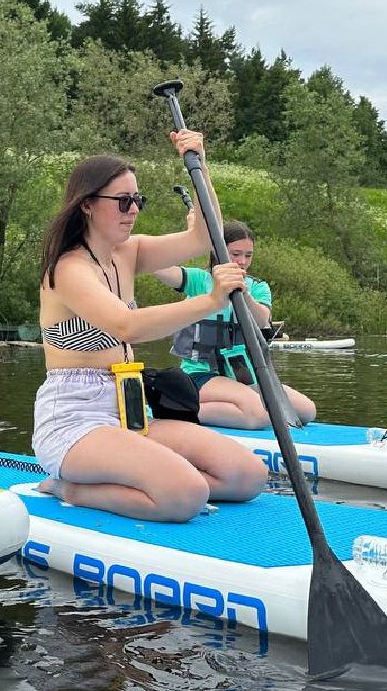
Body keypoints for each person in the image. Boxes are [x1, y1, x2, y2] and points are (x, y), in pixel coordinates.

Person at [32, 134, 268, 522]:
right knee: (186, 495)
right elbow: (127, 326)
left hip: (129, 411)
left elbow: (207, 235)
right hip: (74, 420)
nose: (133, 210)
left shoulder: (129, 252)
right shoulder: (69, 268)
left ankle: (151, 479)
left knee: (247, 476)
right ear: (87, 205)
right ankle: (66, 487)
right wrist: (210, 301)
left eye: (137, 201)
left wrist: (200, 164)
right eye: (123, 201)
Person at [153, 220, 317, 429]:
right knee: (259, 414)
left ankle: (233, 405)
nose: (242, 261)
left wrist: (244, 293)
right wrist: (190, 237)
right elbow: (157, 267)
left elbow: (262, 321)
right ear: (218, 251)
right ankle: (174, 410)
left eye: (248, 255)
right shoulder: (199, 280)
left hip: (240, 376)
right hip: (201, 375)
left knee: (306, 410)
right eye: (235, 254)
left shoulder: (257, 287)